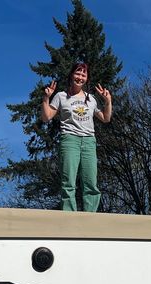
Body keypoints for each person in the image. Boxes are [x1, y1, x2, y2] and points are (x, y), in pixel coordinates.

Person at [41, 62, 112, 212]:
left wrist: (108, 101)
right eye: (78, 73)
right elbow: (47, 117)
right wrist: (46, 98)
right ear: (71, 75)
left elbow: (105, 118)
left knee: (90, 182)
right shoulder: (61, 96)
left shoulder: (91, 99)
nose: (80, 77)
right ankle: (69, 218)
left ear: (86, 78)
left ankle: (90, 218)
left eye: (83, 75)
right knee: (68, 182)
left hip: (89, 142)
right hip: (69, 140)